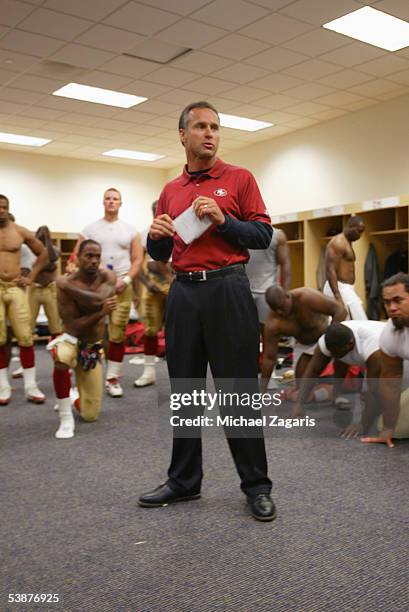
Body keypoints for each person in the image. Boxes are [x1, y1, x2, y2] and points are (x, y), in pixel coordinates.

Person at [138, 101, 276, 522]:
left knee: (238, 392)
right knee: (185, 391)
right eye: (200, 126)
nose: (210, 134)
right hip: (184, 293)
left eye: (215, 127)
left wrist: (224, 220)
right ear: (183, 135)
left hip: (228, 289)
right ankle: (184, 481)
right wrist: (154, 237)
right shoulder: (170, 189)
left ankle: (256, 486)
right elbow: (164, 251)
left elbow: (262, 234)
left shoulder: (239, 178)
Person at [74, 188, 143, 398]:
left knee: (117, 333)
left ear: (120, 203)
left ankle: (112, 378)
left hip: (122, 285)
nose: (111, 202)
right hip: (96, 287)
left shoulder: (130, 230)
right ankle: (89, 376)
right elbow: (78, 257)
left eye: (115, 199)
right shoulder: (90, 229)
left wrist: (127, 280)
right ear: (103, 202)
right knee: (93, 331)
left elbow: (138, 259)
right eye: (108, 198)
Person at [50, 239, 117, 438]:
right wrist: (101, 313)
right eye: (89, 256)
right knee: (60, 355)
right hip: (72, 340)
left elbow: (97, 300)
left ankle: (74, 397)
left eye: (97, 256)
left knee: (90, 415)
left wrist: (65, 286)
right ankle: (65, 417)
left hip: (92, 348)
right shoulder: (67, 283)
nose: (94, 261)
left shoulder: (107, 277)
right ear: (78, 258)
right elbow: (72, 327)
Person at [0, 194, 48, 405]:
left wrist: (31, 277)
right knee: (0, 339)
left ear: (8, 208)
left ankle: (30, 386)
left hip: (16, 287)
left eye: (4, 207)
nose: (1, 211)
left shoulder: (19, 231)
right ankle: (3, 386)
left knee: (25, 337)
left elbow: (43, 252)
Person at [291, 321, 385, 426]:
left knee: (383, 395)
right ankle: (336, 396)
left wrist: (361, 424)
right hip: (356, 346)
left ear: (350, 344)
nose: (332, 355)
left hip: (396, 355)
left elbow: (371, 388)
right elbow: (312, 371)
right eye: (330, 351)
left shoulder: (372, 347)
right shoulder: (326, 342)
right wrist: (299, 405)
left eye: (336, 352)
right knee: (340, 360)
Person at [260, 286, 346, 391]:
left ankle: (337, 394)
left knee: (337, 378)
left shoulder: (306, 297)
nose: (281, 312)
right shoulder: (273, 323)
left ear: (287, 296)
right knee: (301, 389)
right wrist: (261, 391)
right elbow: (269, 358)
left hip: (325, 335)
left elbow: (340, 310)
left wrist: (329, 341)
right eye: (276, 310)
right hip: (302, 345)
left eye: (282, 307)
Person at [361, 272, 409, 448]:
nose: (392, 308)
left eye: (398, 300)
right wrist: (388, 429)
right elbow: (390, 383)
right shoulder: (390, 334)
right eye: (387, 302)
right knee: (387, 426)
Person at [134, 201, 172, 387]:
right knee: (150, 330)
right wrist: (147, 283)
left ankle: (181, 374)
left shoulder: (179, 229)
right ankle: (149, 371)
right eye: (156, 212)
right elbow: (137, 263)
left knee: (180, 330)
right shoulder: (144, 234)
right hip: (154, 287)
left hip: (177, 285)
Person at [246, 227, 291, 333]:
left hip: (268, 294)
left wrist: (284, 295)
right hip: (245, 291)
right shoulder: (241, 232)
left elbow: (285, 265)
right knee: (246, 333)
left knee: (268, 331)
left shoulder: (277, 235)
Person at [324, 216, 367, 319]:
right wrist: (338, 296)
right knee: (360, 320)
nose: (360, 236)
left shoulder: (348, 242)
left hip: (346, 288)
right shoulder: (338, 242)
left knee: (346, 324)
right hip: (338, 287)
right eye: (359, 231)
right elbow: (330, 270)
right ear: (350, 226)